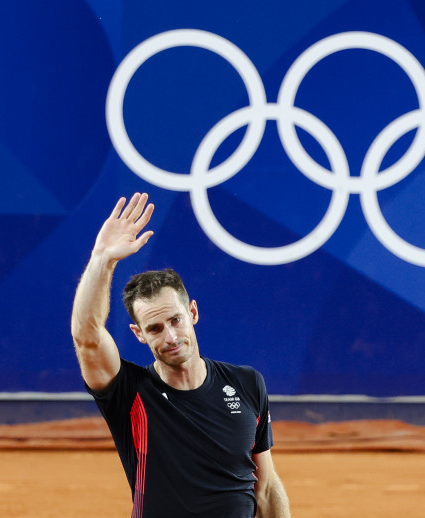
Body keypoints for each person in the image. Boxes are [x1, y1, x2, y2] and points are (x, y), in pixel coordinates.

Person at [71, 192, 291, 518]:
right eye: (155, 328)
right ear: (139, 334)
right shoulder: (129, 392)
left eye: (176, 320)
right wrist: (102, 259)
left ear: (193, 312)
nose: (171, 336)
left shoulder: (247, 384)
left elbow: (267, 485)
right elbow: (86, 336)